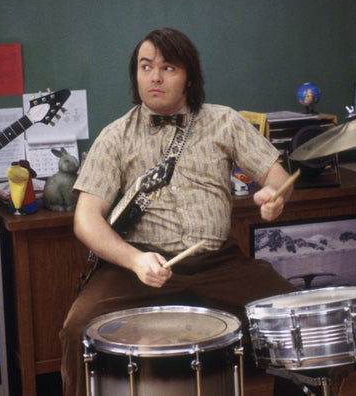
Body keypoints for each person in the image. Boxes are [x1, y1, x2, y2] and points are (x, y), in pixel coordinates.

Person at [59, 27, 299, 396]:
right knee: (78, 329)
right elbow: (86, 219)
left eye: (168, 67)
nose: (154, 77)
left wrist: (274, 193)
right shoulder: (116, 136)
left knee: (293, 316)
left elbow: (276, 174)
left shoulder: (224, 121)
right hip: (138, 267)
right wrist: (135, 260)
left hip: (218, 262)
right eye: (145, 66)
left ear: (189, 77)